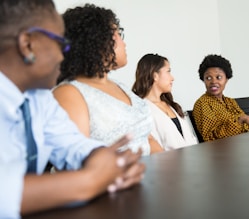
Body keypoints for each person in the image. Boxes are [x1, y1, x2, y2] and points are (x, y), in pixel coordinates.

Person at [0, 1, 144, 218]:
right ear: (27, 45)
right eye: (60, 43)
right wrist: (92, 180)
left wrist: (108, 162)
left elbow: (73, 145)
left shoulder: (39, 98)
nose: (64, 55)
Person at [53, 4, 163, 155]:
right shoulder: (68, 93)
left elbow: (147, 139)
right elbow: (76, 164)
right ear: (96, 39)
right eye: (118, 34)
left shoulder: (120, 86)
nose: (124, 43)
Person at [193, 54, 249, 141]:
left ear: (226, 79)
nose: (213, 81)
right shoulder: (202, 104)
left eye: (218, 77)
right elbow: (210, 137)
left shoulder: (230, 101)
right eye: (208, 78)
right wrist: (241, 119)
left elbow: (245, 126)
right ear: (203, 80)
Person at [132, 53, 198, 150]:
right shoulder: (141, 110)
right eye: (168, 71)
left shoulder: (171, 105)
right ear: (155, 75)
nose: (172, 78)